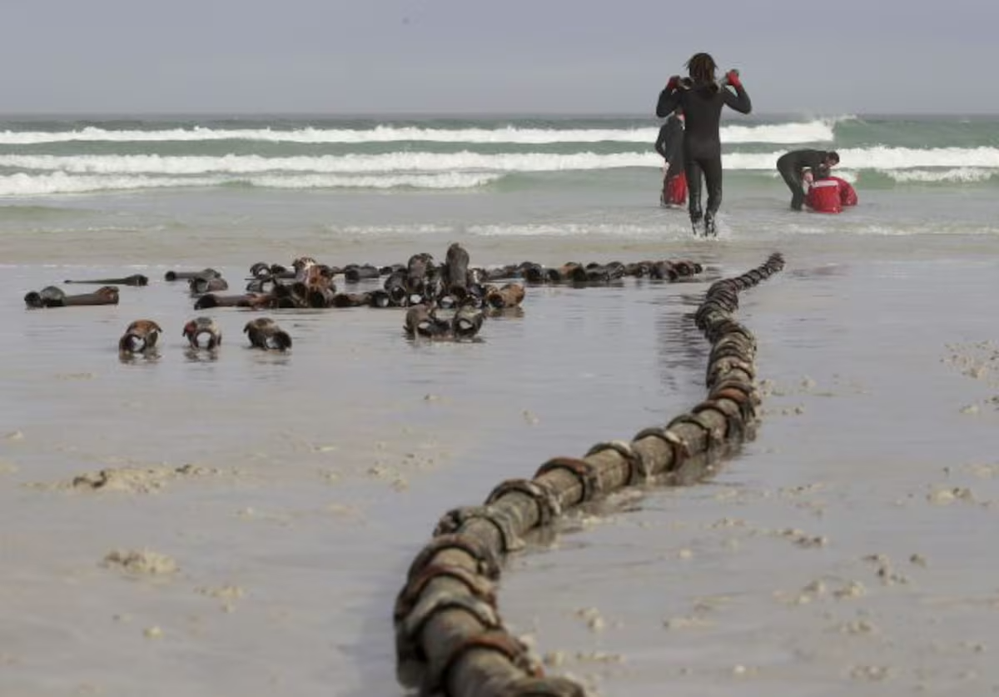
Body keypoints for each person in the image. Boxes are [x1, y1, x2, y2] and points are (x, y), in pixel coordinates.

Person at [656, 52, 752, 236]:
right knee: (715, 193)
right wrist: (736, 83)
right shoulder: (719, 91)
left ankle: (698, 236)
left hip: (690, 148)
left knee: (694, 196)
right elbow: (746, 107)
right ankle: (710, 216)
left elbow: (661, 111)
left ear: (691, 69)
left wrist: (669, 87)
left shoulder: (683, 91)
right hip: (711, 149)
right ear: (712, 69)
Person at [776, 149, 840, 211]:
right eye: (831, 163)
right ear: (827, 158)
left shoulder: (819, 157)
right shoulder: (816, 157)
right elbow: (815, 173)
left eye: (833, 165)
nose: (830, 166)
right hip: (786, 163)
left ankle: (795, 210)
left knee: (799, 192)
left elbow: (815, 172)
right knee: (798, 192)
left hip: (796, 166)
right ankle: (795, 212)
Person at [654, 109, 686, 206]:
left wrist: (666, 157)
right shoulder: (679, 128)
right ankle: (675, 205)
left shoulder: (664, 128)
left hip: (670, 160)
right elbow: (675, 144)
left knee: (669, 183)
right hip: (681, 161)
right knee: (679, 187)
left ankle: (667, 202)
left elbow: (657, 146)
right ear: (682, 116)